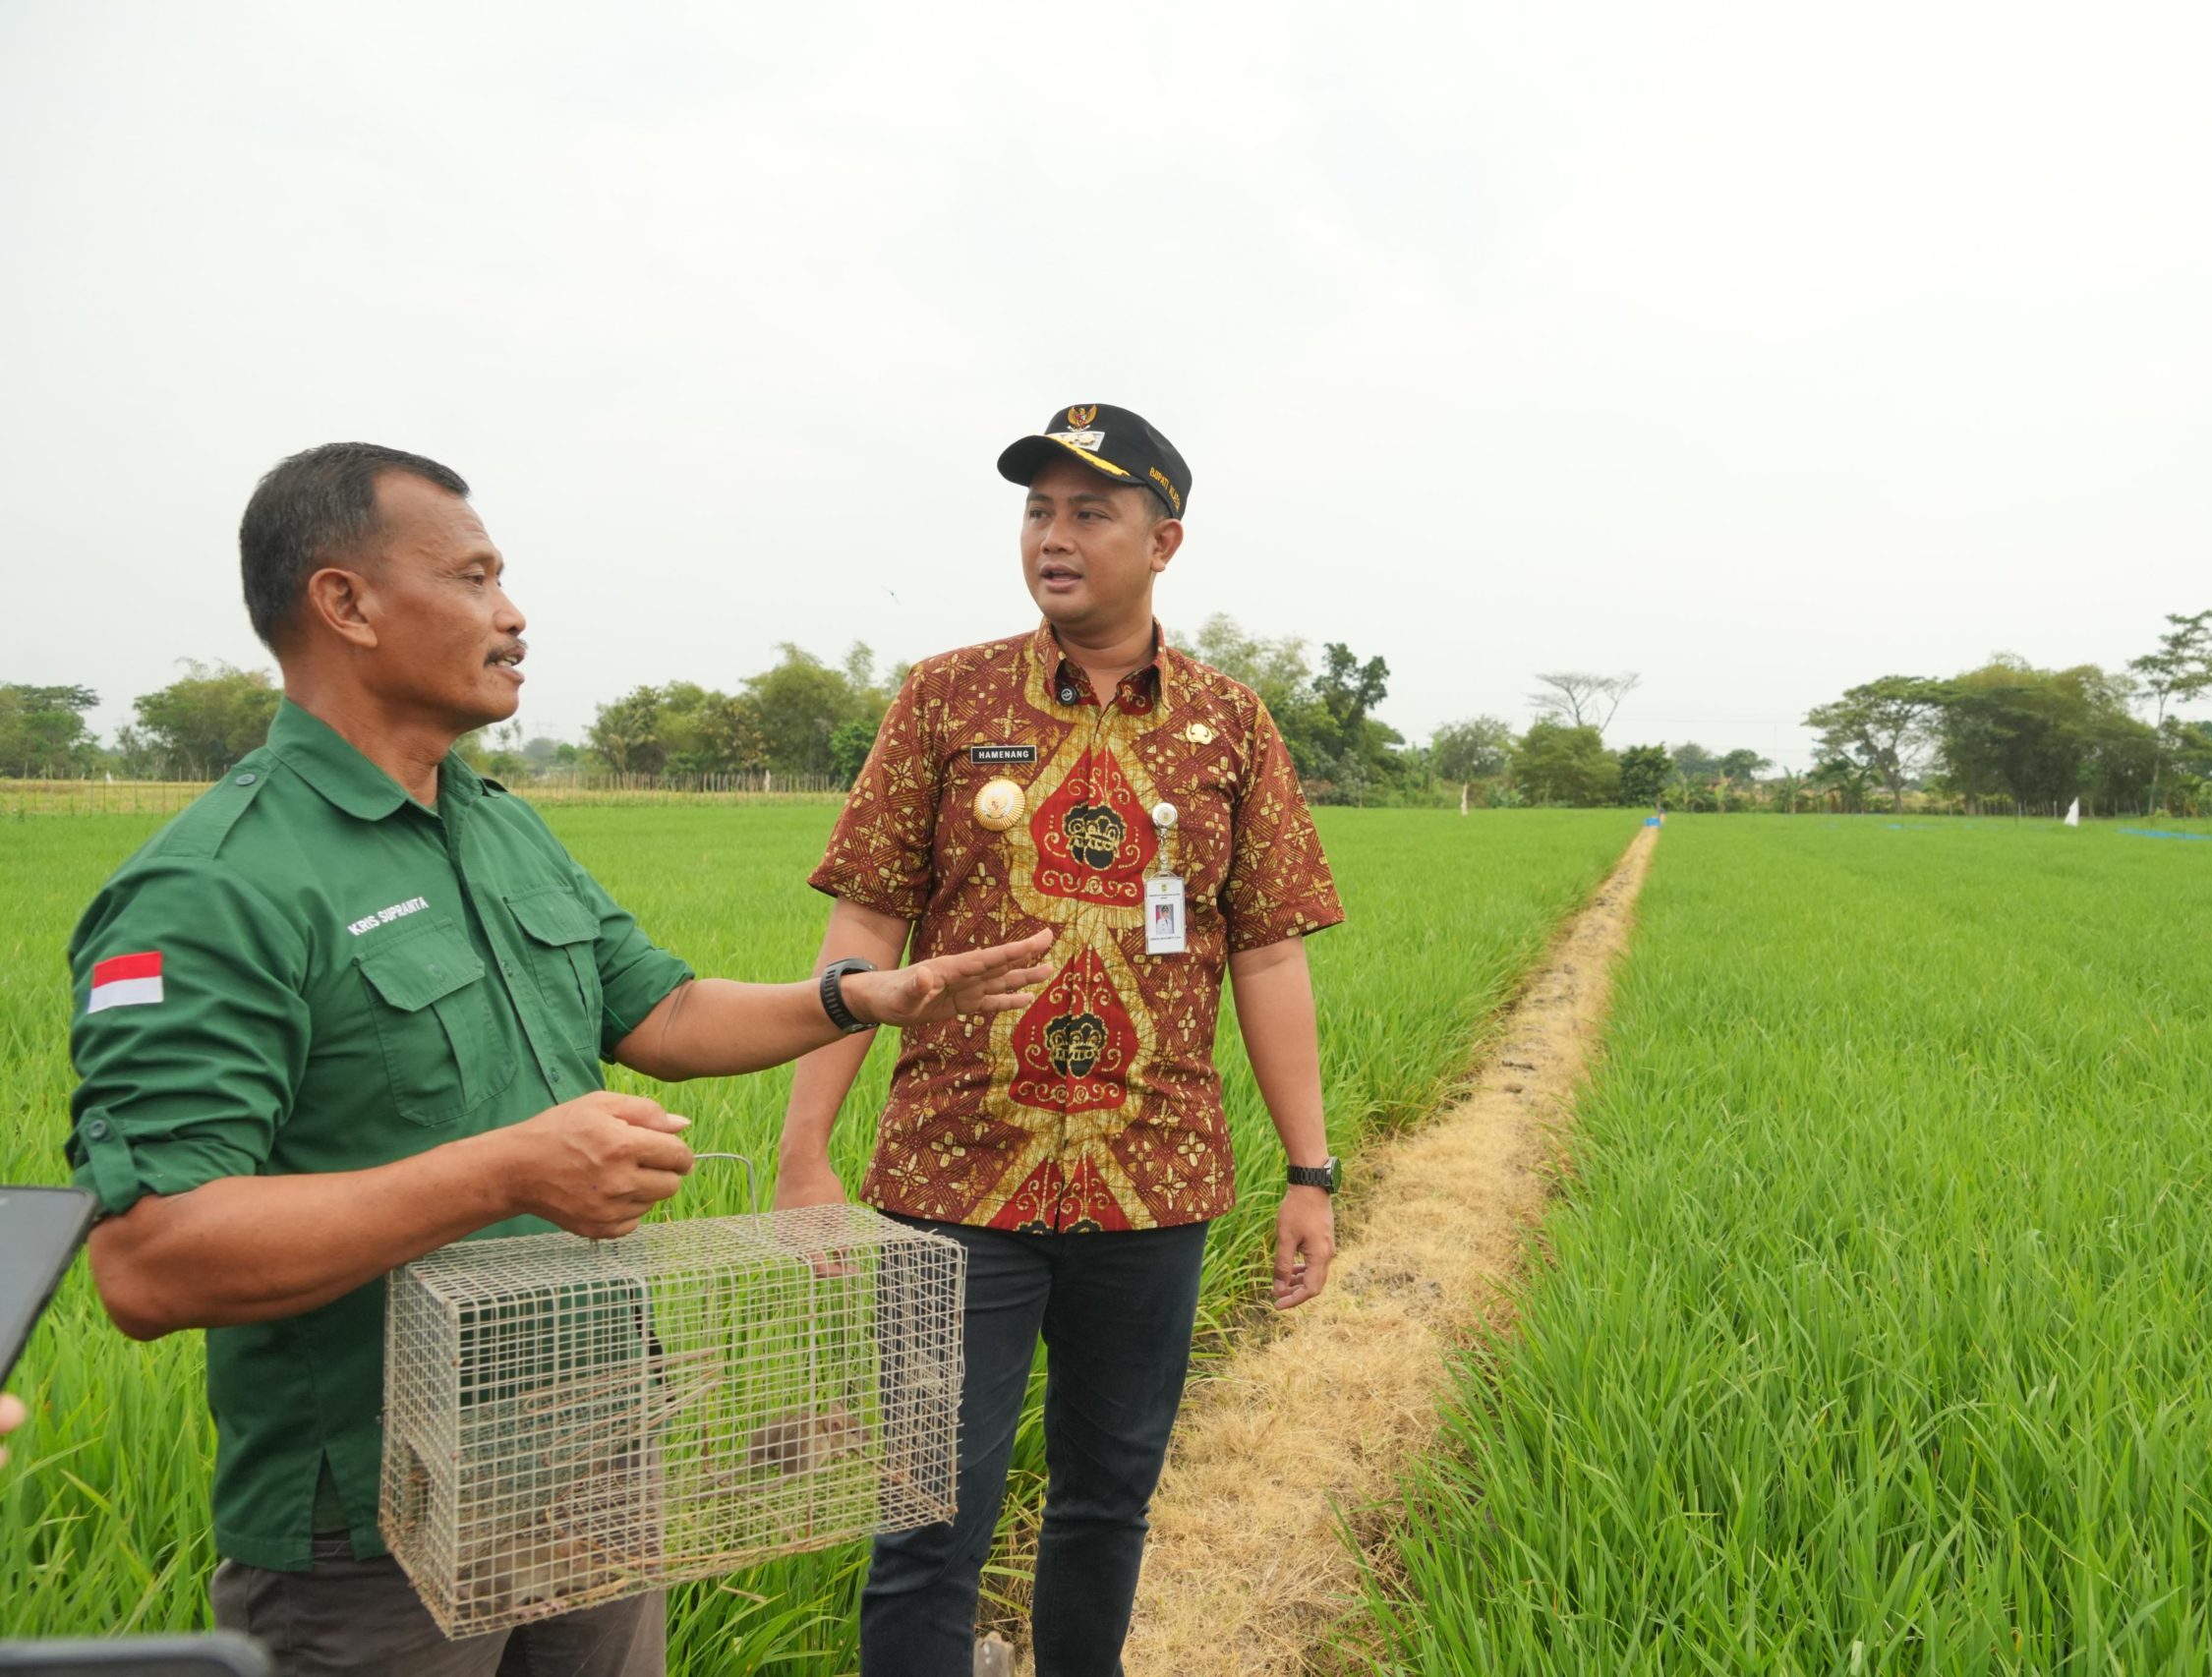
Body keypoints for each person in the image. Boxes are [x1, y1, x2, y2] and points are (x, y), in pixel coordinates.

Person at [64, 443, 1053, 1677]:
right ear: (346, 604)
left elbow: (667, 1011)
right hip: (379, 1522)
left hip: (597, 1461)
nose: (513, 613)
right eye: (474, 579)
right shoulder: (218, 887)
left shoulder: (498, 824)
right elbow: (149, 1259)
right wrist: (506, 1172)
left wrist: (862, 995)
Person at [777, 404, 1346, 1675]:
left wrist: (1309, 1171)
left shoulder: (1230, 726)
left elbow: (1267, 950)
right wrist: (805, 1148)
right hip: (950, 1185)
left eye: (1091, 511)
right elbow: (863, 920)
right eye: (1038, 507)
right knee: (928, 1523)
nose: (1055, 533)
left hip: (1154, 1186)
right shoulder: (943, 699)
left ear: (1166, 540)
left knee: (1106, 1508)